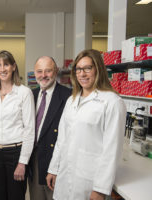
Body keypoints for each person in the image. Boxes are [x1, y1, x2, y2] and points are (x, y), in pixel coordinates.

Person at [46, 49, 126, 200]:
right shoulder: (72, 100)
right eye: (78, 69)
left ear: (98, 69)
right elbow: (61, 139)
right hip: (65, 175)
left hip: (89, 182)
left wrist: (100, 189)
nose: (82, 74)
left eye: (88, 68)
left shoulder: (112, 102)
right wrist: (53, 169)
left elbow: (112, 150)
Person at [0, 50, 35, 200]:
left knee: (16, 196)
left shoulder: (24, 92)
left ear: (13, 67)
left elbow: (30, 129)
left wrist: (22, 162)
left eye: (6, 64)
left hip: (15, 153)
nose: (2, 69)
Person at [28, 56, 71, 200]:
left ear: (56, 71)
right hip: (34, 161)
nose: (43, 75)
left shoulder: (68, 96)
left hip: (57, 160)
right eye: (39, 71)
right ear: (34, 73)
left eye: (48, 71)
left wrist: (57, 167)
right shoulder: (30, 95)